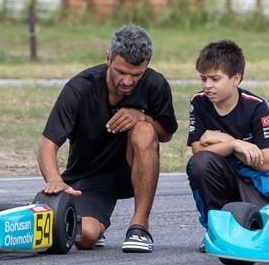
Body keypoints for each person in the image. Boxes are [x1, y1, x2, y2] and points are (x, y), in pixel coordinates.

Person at [38, 24, 179, 253]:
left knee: (144, 130)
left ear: (147, 65)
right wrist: (54, 180)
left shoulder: (155, 84)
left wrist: (141, 117)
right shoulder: (79, 88)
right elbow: (48, 144)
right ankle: (95, 223)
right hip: (90, 177)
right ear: (108, 58)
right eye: (121, 72)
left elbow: (166, 134)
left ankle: (139, 227)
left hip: (132, 172)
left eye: (136, 75)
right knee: (87, 237)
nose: (127, 81)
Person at [186, 39, 269, 228]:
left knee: (258, 228)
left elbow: (265, 162)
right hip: (226, 174)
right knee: (200, 164)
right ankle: (216, 228)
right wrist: (235, 144)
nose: (207, 85)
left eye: (215, 79)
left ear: (236, 79)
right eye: (203, 78)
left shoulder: (256, 106)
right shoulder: (199, 102)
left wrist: (224, 140)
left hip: (256, 177)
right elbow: (199, 152)